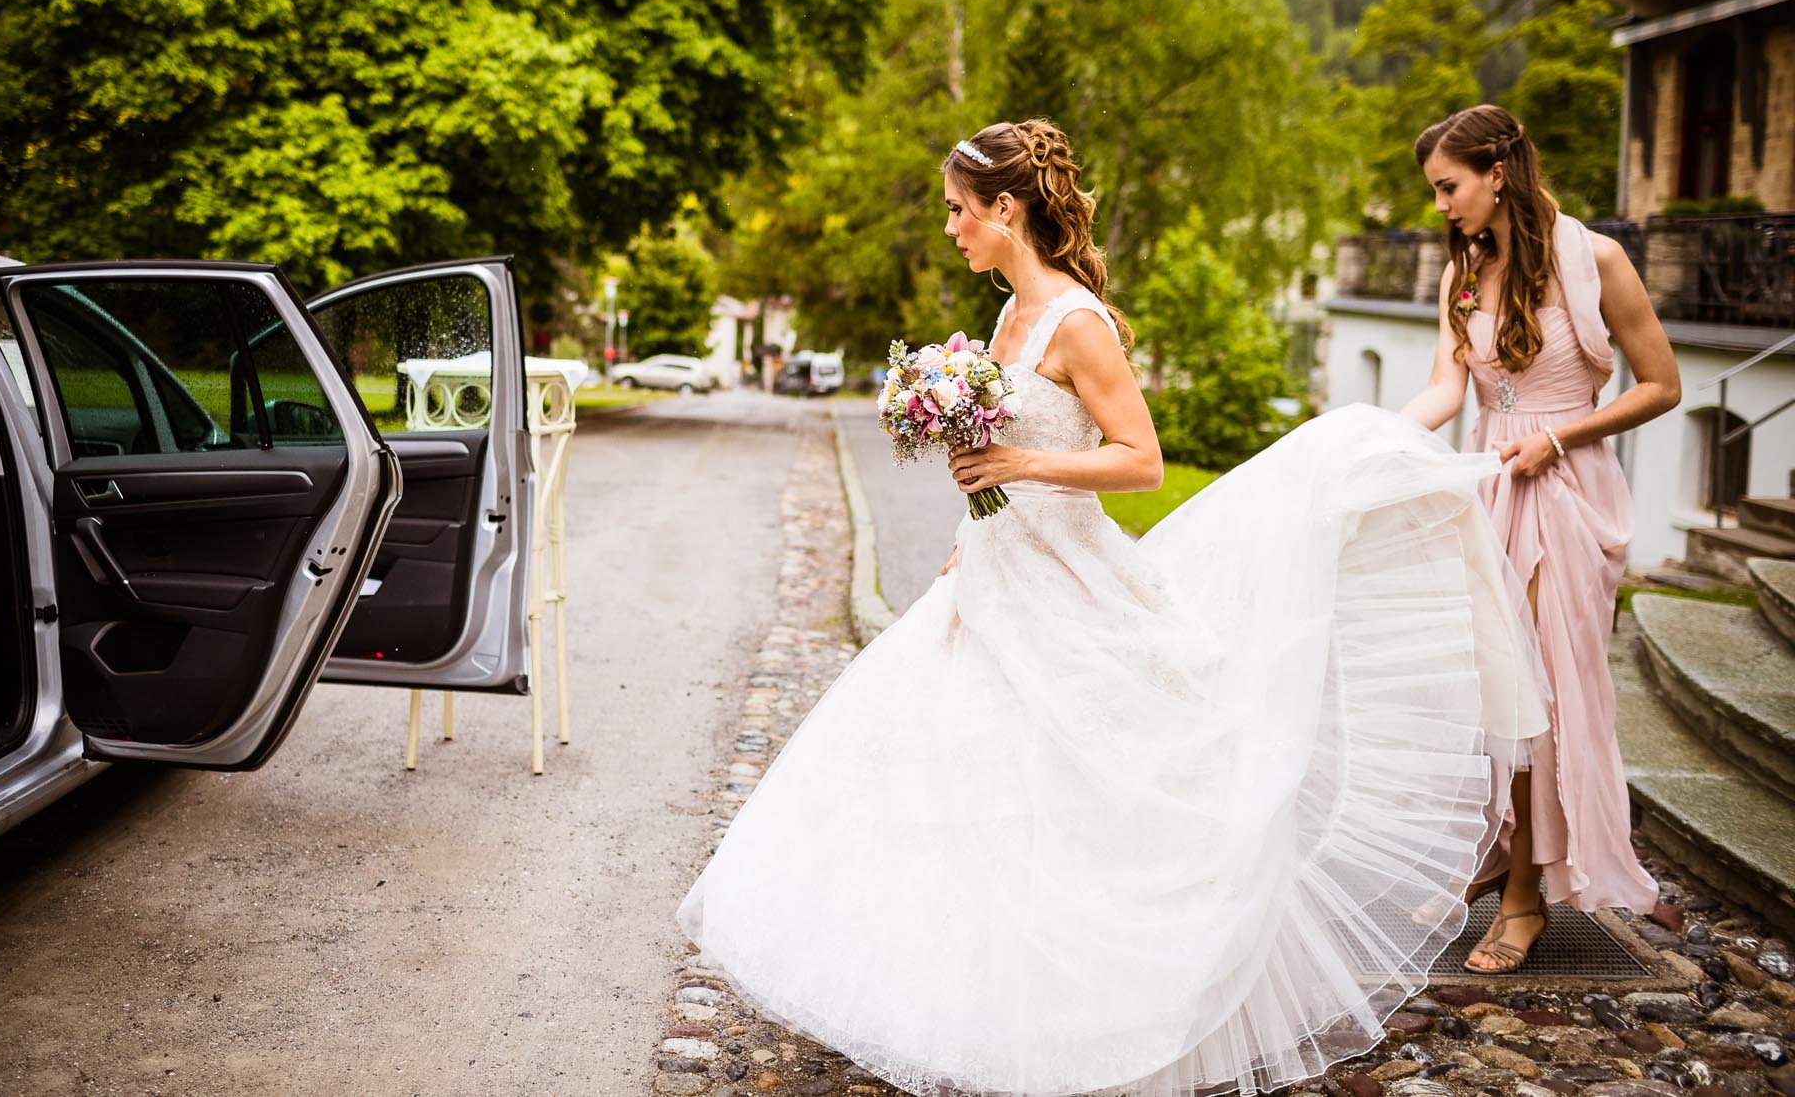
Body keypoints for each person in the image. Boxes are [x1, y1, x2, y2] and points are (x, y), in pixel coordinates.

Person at [677, 118, 1552, 1097]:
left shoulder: (1073, 322)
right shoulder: (1004, 319)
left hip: (1069, 581)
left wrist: (1018, 462)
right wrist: (970, 535)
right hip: (992, 578)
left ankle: (1095, 1004)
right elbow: (995, 461)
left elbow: (1140, 460)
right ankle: (966, 998)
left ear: (1005, 209)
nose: (951, 229)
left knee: (1094, 788)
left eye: (959, 212)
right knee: (946, 776)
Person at [1400, 104, 1679, 973]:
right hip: (1489, 481)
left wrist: (1558, 438)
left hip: (1565, 485)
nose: (1441, 204)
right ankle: (1499, 849)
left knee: (1540, 694)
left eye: (1450, 186)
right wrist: (1376, 440)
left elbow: (1661, 384)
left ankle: (1526, 895)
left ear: (1497, 170)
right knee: (1489, 684)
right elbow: (1449, 390)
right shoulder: (1465, 275)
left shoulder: (1598, 260)